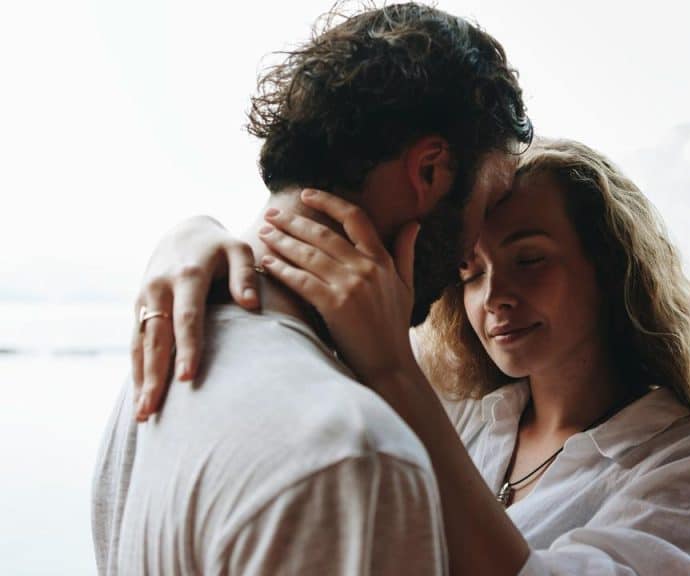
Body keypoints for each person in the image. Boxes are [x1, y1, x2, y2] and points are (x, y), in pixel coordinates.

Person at [135, 139, 690, 574]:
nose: (496, 297)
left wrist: (392, 369)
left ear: (610, 270)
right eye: (472, 271)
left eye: (530, 259)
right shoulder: (464, 411)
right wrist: (190, 238)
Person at [91, 4, 532, 575]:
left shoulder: (162, 356)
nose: (474, 252)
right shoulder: (357, 454)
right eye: (488, 202)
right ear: (430, 170)